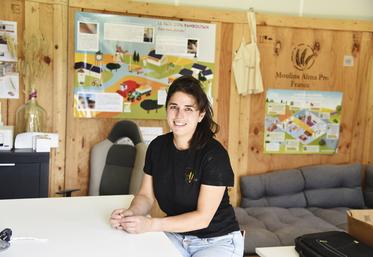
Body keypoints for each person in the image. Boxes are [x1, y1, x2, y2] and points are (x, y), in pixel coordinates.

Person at [110, 75, 244, 257]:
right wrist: (131, 214)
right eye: (174, 107)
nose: (179, 115)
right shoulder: (157, 147)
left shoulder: (214, 154)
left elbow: (202, 218)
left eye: (188, 109)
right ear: (167, 110)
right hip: (175, 236)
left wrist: (151, 224)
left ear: (201, 115)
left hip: (216, 241)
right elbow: (145, 196)